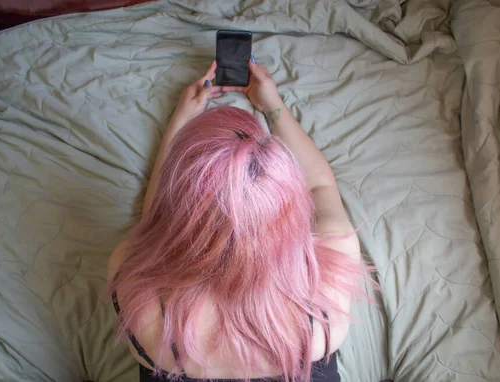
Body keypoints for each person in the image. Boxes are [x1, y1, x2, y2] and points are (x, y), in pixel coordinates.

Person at [107, 56, 366, 382]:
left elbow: (156, 220)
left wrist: (182, 119)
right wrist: (271, 104)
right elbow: (320, 185)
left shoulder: (137, 293)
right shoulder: (328, 292)